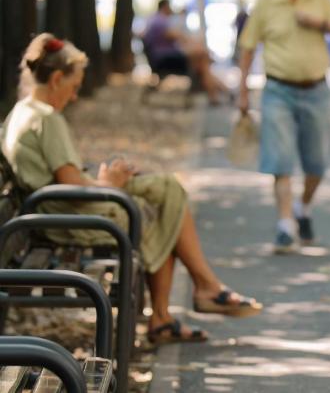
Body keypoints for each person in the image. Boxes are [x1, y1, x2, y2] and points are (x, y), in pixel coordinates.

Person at [1, 33, 263, 345]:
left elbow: (63, 177)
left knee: (167, 190)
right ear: (57, 79)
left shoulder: (22, 112)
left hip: (56, 210)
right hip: (70, 218)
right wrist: (106, 184)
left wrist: (106, 180)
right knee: (163, 209)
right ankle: (192, 297)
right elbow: (71, 182)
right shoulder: (46, 119)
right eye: (74, 88)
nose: (73, 97)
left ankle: (190, 298)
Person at [237, 0, 330, 253]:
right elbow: (248, 46)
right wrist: (242, 91)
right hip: (278, 90)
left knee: (316, 164)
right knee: (281, 161)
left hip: (316, 90)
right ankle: (285, 224)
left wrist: (320, 24)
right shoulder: (266, 1)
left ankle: (303, 208)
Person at [142, 0, 229, 105]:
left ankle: (217, 92)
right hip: (164, 59)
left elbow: (178, 38)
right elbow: (178, 36)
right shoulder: (160, 21)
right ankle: (219, 92)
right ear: (165, 7)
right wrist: (195, 44)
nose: (171, 10)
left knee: (202, 62)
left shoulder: (156, 19)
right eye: (169, 7)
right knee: (202, 58)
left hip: (163, 57)